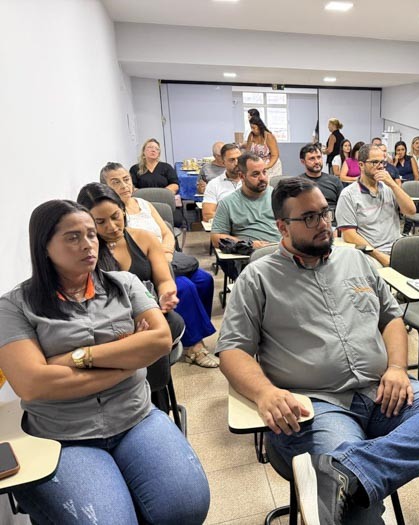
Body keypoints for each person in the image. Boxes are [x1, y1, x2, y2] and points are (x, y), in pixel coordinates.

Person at [216, 177, 419, 524]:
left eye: (324, 213)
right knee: (356, 511)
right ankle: (353, 476)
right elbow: (233, 350)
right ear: (282, 227)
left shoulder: (356, 261)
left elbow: (391, 318)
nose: (323, 223)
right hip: (317, 404)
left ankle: (345, 471)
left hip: (381, 390)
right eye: (309, 218)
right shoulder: (257, 277)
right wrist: (264, 393)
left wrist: (397, 368)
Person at [0, 200, 210, 524]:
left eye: (90, 234)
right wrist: (130, 359)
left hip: (135, 417)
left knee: (188, 506)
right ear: (44, 247)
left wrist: (77, 358)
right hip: (64, 435)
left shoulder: (125, 284)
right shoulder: (14, 306)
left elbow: (159, 340)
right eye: (73, 237)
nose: (88, 244)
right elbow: (33, 384)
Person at [78, 183, 219, 368]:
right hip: (108, 325)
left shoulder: (144, 238)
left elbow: (164, 279)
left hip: (148, 315)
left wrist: (165, 294)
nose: (111, 226)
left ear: (123, 210)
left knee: (170, 325)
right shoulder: (86, 251)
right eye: (100, 222)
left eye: (115, 216)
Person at [336, 144, 416, 267]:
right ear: (361, 165)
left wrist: (393, 185)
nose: (381, 166)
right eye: (374, 162)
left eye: (382, 162)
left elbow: (411, 211)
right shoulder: (348, 195)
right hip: (370, 253)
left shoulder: (389, 188)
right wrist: (380, 256)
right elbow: (349, 235)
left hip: (396, 248)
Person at [210, 152, 281, 249]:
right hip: (249, 254)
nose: (262, 178)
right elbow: (216, 238)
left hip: (279, 250)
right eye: (255, 174)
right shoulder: (228, 203)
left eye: (264, 172)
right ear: (242, 176)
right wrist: (248, 244)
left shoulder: (278, 197)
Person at [201, 143, 243, 222]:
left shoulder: (252, 181)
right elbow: (207, 215)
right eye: (232, 160)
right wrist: (238, 220)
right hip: (226, 227)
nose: (236, 163)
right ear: (223, 163)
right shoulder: (214, 185)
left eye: (239, 159)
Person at [298, 143, 343, 208]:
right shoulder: (298, 183)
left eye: (319, 157)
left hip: (332, 212)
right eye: (312, 158)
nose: (317, 162)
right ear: (303, 161)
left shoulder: (335, 181)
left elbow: (343, 206)